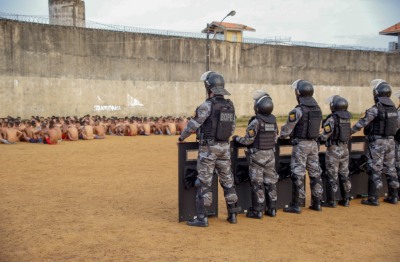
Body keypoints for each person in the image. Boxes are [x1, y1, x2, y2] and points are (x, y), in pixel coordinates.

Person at [178, 71, 239, 227]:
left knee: (204, 182)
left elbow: (193, 125)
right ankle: (233, 214)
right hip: (224, 147)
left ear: (208, 86)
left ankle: (202, 218)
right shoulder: (230, 105)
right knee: (227, 180)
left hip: (209, 148)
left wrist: (182, 137)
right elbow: (232, 128)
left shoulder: (207, 105)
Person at [351, 79, 399, 205]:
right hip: (391, 142)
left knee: (375, 169)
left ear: (377, 93)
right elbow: (397, 126)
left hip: (378, 142)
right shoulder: (394, 109)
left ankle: (373, 198)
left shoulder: (376, 109)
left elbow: (362, 123)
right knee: (391, 169)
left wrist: (349, 132)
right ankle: (394, 197)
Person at [232, 91, 279, 218]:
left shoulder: (256, 122)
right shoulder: (273, 121)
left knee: (257, 183)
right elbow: (275, 139)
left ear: (257, 107)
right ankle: (273, 209)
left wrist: (236, 139)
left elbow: (248, 140)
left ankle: (257, 210)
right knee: (270, 182)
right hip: (270, 155)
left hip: (257, 156)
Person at [280, 79, 323, 214]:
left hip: (301, 145)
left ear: (298, 93)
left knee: (298, 173)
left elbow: (286, 130)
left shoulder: (298, 110)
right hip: (314, 145)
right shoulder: (318, 109)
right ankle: (317, 203)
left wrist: (282, 135)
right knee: (315, 173)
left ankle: (296, 205)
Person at [319, 95, 352, 207]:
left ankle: (332, 201)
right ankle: (346, 199)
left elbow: (325, 135)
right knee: (344, 175)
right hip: (345, 149)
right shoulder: (347, 118)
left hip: (333, 150)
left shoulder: (332, 119)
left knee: (332, 175)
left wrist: (319, 137)